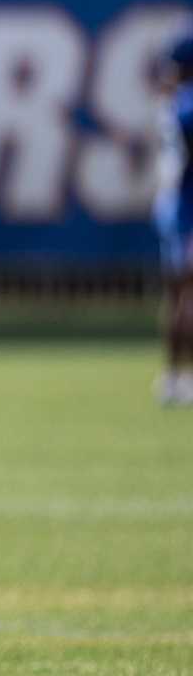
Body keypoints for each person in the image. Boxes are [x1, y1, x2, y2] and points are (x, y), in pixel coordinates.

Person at [154, 27, 193, 406]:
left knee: (177, 297)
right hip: (187, 207)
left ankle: (172, 377)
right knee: (186, 299)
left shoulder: (173, 103)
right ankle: (180, 377)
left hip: (171, 205)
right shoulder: (188, 105)